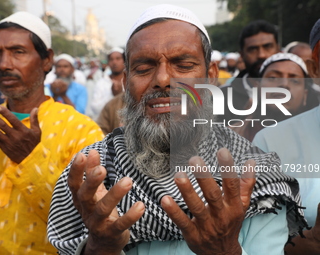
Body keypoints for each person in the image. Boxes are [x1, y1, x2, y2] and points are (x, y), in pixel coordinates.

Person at [48, 5, 307, 255]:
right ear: (126, 82)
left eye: (183, 65)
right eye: (144, 67)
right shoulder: (92, 175)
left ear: (211, 75)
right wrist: (100, 247)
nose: (162, 80)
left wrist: (224, 250)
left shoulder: (254, 176)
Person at [0, 11, 104, 254]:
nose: (4, 64)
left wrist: (30, 159)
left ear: (47, 60)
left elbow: (87, 222)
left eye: (18, 51)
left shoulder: (80, 129)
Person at [253, 18, 320, 255]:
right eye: (273, 77)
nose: (284, 86)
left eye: (294, 79)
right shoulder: (267, 143)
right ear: (316, 70)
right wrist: (309, 241)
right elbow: (259, 242)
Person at [231, 52, 318, 141]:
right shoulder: (229, 137)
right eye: (273, 77)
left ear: (305, 95)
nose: (284, 84)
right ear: (257, 88)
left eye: (294, 81)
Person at [220, 20, 280, 122]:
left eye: (267, 47)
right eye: (253, 49)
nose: (261, 55)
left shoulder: (305, 93)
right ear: (242, 55)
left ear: (278, 50)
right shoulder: (220, 99)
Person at [85, 47, 125, 120]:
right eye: (111, 59)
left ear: (124, 61)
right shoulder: (102, 82)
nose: (114, 62)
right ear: (108, 62)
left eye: (118, 58)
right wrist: (113, 95)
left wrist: (120, 95)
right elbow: (95, 108)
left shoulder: (131, 81)